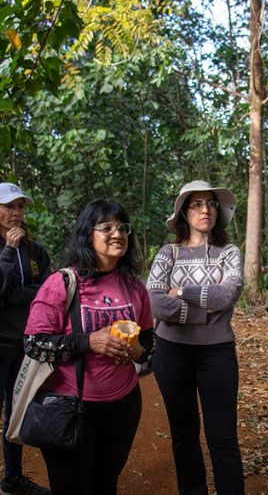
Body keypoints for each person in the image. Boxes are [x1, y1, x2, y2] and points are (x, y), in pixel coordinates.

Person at [24, 200, 155, 495]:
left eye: (123, 227)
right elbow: (34, 344)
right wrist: (90, 341)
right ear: (88, 235)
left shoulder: (135, 287)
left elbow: (149, 341)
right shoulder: (62, 283)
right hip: (70, 407)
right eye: (106, 227)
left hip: (123, 405)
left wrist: (138, 352)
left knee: (106, 483)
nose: (117, 233)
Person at [147, 180, 245, 495]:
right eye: (196, 204)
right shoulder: (168, 252)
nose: (205, 210)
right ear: (183, 213)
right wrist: (205, 311)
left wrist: (182, 292)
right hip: (171, 352)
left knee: (223, 437)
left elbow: (227, 294)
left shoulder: (228, 252)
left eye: (211, 204)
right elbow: (155, 302)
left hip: (217, 353)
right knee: (184, 434)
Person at [0, 182, 51, 495]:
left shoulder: (35, 250)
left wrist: (14, 294)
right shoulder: (9, 249)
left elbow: (48, 293)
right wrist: (7, 252)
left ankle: (12, 479)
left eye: (20, 207)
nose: (16, 214)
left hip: (24, 345)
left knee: (17, 413)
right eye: (9, 207)